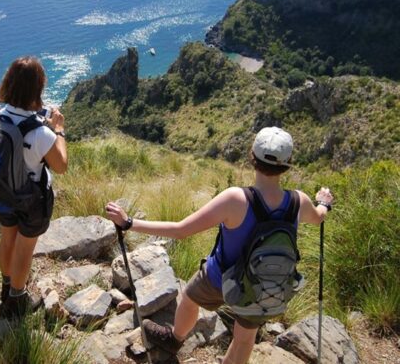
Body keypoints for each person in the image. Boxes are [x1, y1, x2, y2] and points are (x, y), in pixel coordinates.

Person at [105, 127, 334, 364]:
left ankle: (175, 338)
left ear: (252, 157)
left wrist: (129, 223)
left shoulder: (236, 199)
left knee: (190, 297)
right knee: (244, 341)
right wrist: (324, 203)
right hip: (263, 286)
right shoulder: (298, 201)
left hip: (218, 278)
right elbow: (318, 217)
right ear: (288, 165)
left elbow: (181, 230)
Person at [0, 56, 68, 319]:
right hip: (30, 199)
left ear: (8, 82)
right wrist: (59, 130)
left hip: (1, 192)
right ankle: (17, 300)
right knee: (24, 248)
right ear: (37, 89)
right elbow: (60, 165)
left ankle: (7, 287)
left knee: (7, 238)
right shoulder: (42, 134)